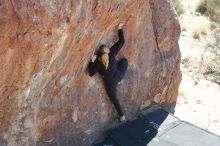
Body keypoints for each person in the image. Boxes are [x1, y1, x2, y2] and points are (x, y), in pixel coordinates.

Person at [88, 23, 128, 122]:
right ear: (107, 50)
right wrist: (119, 29)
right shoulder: (111, 51)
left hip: (110, 83)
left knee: (114, 99)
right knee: (124, 61)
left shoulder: (98, 63)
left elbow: (91, 73)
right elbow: (122, 41)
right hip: (119, 75)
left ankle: (122, 116)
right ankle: (119, 80)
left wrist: (92, 61)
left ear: (99, 55)